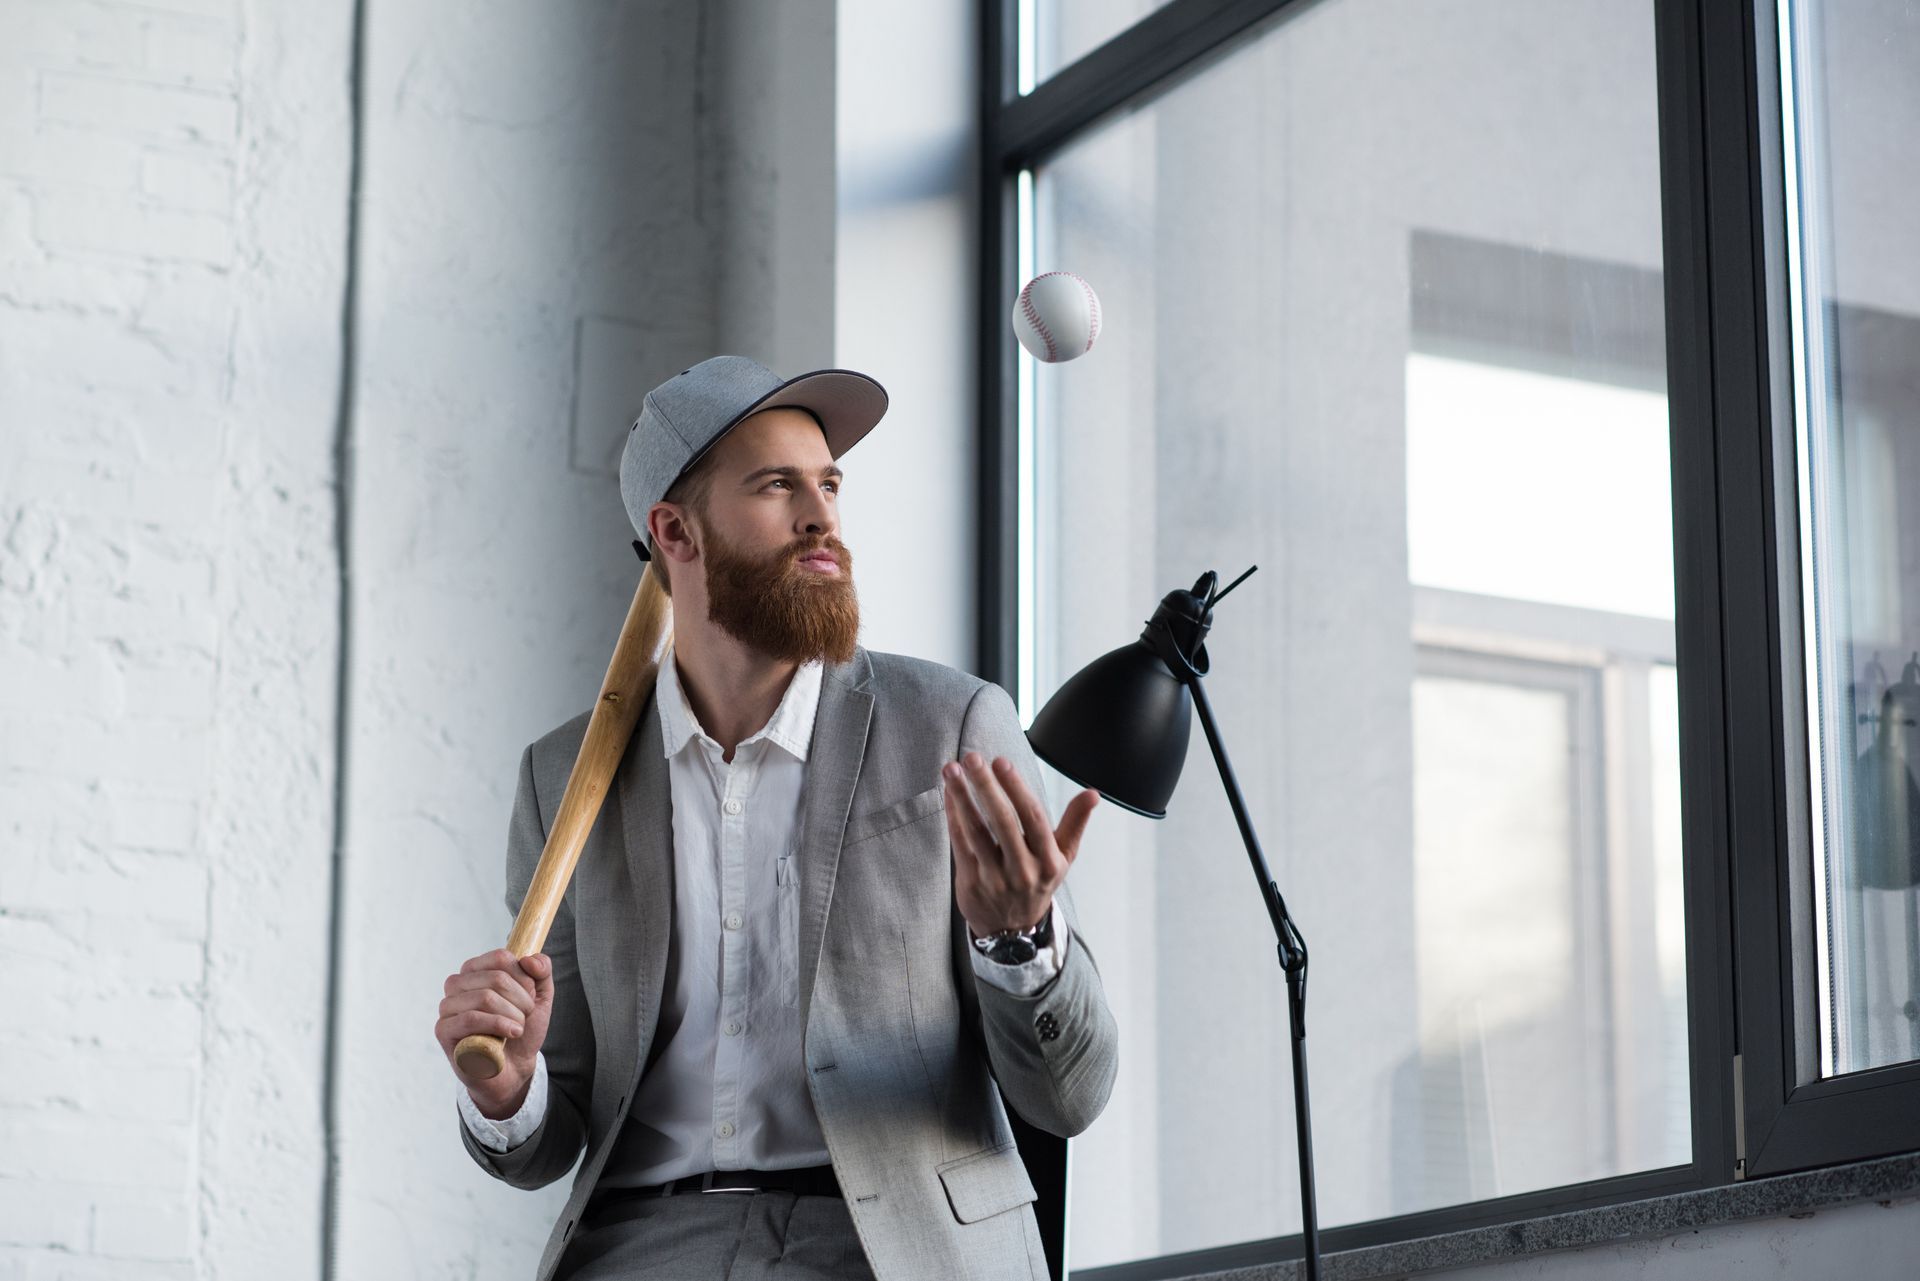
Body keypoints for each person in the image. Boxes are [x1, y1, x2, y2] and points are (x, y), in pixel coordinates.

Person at [432, 355, 1120, 1280]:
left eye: (829, 483)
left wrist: (1022, 942)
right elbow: (554, 1135)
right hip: (643, 1243)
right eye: (776, 486)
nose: (821, 515)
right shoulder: (560, 778)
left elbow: (1070, 1096)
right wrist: (507, 1089)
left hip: (892, 1244)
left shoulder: (949, 727)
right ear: (674, 531)